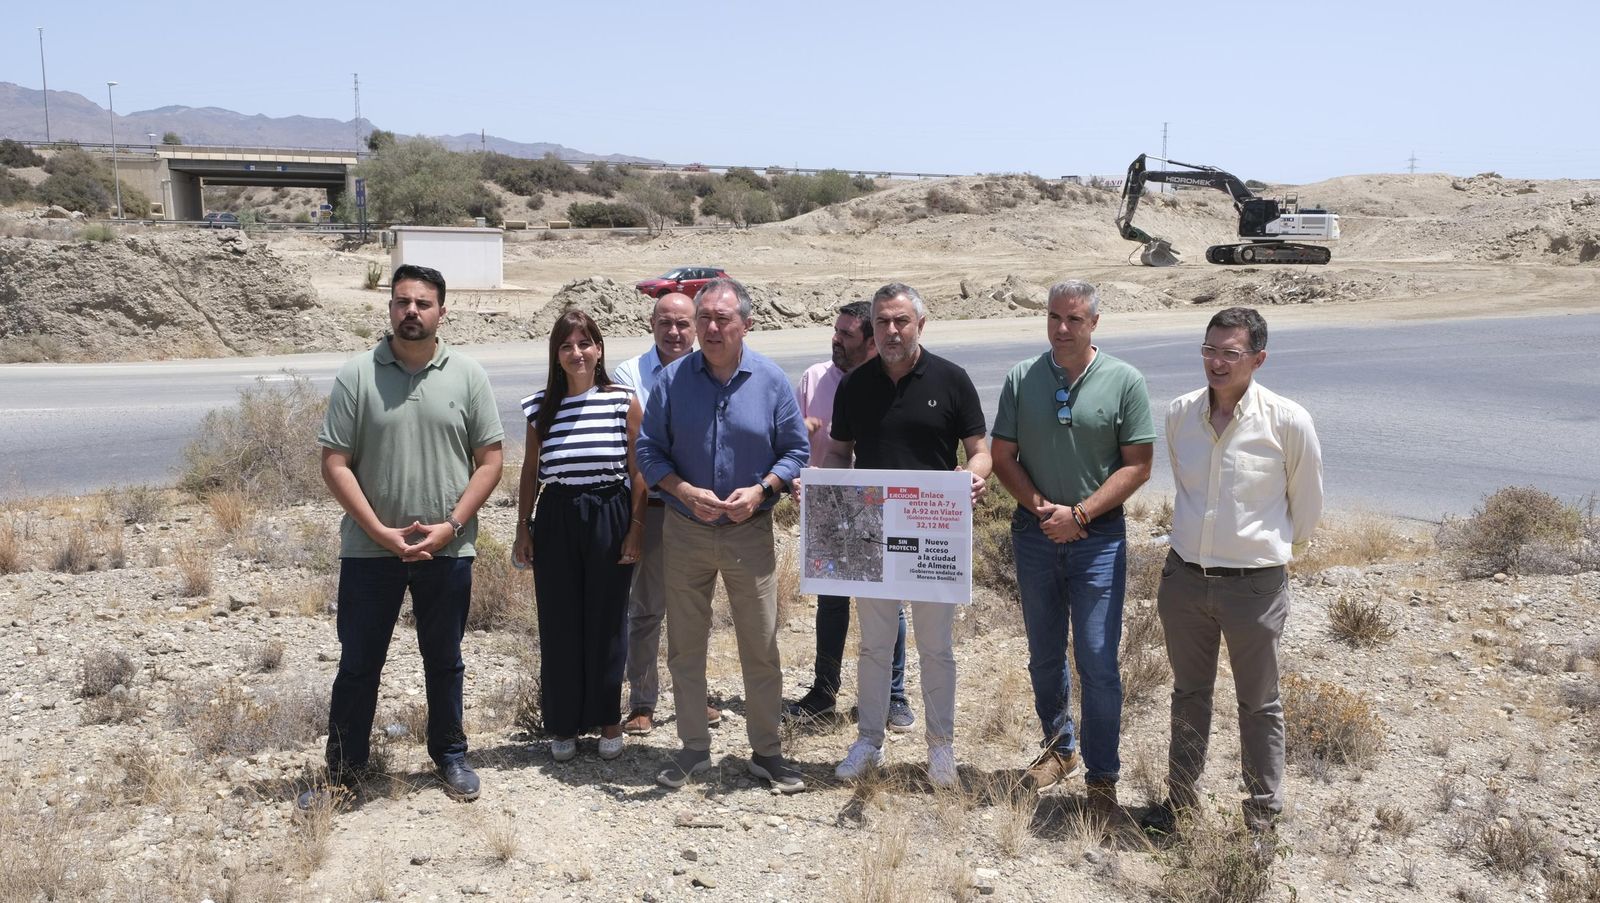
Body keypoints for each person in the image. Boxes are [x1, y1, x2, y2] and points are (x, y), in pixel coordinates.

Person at [306, 264, 504, 807]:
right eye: (401, 303)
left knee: (444, 659)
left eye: (422, 303)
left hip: (448, 549)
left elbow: (490, 460)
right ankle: (343, 772)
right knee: (358, 664)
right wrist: (379, 531)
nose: (410, 312)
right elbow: (335, 462)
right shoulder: (358, 374)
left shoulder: (467, 374)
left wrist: (452, 526)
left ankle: (450, 755)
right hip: (371, 552)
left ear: (442, 311)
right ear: (389, 308)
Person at [1140, 306, 1323, 841]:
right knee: (1188, 693)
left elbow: (1306, 509)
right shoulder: (1179, 413)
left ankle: (1262, 816)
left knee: (1259, 702)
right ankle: (1180, 805)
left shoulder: (1288, 421)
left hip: (1254, 586)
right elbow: (1187, 486)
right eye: (1209, 350)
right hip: (1186, 580)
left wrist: (1262, 548)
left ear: (1258, 359)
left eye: (1230, 353)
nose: (1216, 363)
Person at [636, 277, 811, 792]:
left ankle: (767, 753)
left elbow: (795, 450)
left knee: (760, 645)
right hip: (685, 531)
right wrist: (682, 490)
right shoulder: (671, 381)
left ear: (746, 325)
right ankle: (693, 750)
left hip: (748, 533)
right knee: (685, 648)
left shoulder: (772, 381)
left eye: (722, 319)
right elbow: (649, 451)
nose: (710, 328)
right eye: (703, 318)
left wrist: (762, 490)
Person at [990, 280, 1155, 820]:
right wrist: (1044, 510)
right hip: (1035, 533)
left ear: (1094, 324)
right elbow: (1003, 455)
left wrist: (1080, 514)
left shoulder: (1125, 381)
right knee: (1043, 654)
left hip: (1098, 540)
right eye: (1055, 317)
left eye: (1075, 319)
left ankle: (1103, 777)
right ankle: (1059, 749)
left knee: (1098, 659)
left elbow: (1137, 465)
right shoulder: (1021, 377)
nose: (1062, 328)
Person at [826, 283, 991, 788]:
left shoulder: (951, 378)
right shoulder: (855, 385)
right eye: (882, 322)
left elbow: (979, 449)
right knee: (875, 646)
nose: (891, 331)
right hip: (873, 534)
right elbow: (838, 453)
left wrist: (976, 475)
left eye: (901, 321)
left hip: (933, 536)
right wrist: (824, 490)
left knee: (936, 648)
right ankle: (869, 740)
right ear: (872, 328)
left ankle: (941, 748)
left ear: (921, 323)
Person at [513, 310, 645, 762]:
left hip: (609, 512)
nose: (577, 353)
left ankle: (609, 720)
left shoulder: (622, 400)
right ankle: (564, 723)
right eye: (566, 346)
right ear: (556, 355)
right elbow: (531, 472)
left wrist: (635, 530)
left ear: (600, 349)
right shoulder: (539, 407)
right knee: (560, 620)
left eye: (585, 344)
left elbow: (637, 470)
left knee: (607, 621)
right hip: (557, 515)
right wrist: (522, 529)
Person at [784, 301, 915, 731]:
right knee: (831, 601)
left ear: (872, 343)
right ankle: (824, 691)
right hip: (830, 511)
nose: (836, 340)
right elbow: (798, 446)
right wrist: (798, 474)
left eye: (846, 335)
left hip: (880, 514)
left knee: (887, 605)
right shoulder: (815, 378)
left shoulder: (887, 384)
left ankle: (892, 696)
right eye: (835, 332)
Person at [612, 293, 722, 737]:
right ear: (651, 323)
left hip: (700, 509)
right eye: (666, 323)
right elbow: (641, 448)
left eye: (683, 324)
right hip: (653, 507)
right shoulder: (628, 374)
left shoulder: (713, 368)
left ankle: (694, 696)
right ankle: (642, 701)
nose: (675, 333)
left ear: (695, 326)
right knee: (646, 609)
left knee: (694, 609)